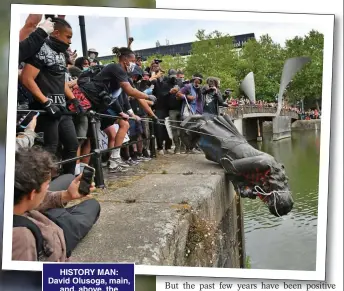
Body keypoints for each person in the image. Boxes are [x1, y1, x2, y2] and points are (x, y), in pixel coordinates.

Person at [12, 147, 100, 262]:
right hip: (54, 234)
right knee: (92, 205)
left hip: (34, 213)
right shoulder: (22, 238)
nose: (48, 187)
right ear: (32, 194)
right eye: (47, 184)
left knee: (68, 177)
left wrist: (67, 195)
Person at [20, 18, 82, 175]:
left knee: (72, 145)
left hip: (61, 108)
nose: (70, 41)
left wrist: (74, 99)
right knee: (50, 149)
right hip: (45, 109)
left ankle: (67, 182)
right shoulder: (41, 48)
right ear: (55, 33)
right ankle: (43, 190)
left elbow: (60, 81)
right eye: (68, 37)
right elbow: (27, 78)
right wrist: (46, 102)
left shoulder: (61, 54)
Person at [91, 47, 158, 172]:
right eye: (132, 60)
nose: (134, 63)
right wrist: (147, 96)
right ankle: (111, 160)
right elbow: (130, 92)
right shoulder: (115, 68)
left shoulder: (123, 75)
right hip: (95, 103)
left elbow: (132, 96)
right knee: (124, 124)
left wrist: (150, 115)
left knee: (113, 133)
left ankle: (113, 160)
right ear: (126, 60)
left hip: (104, 104)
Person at [167, 69, 185, 154]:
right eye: (172, 75)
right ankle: (177, 147)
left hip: (182, 109)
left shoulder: (183, 83)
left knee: (183, 128)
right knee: (174, 129)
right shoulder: (167, 83)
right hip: (172, 110)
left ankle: (183, 146)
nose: (174, 77)